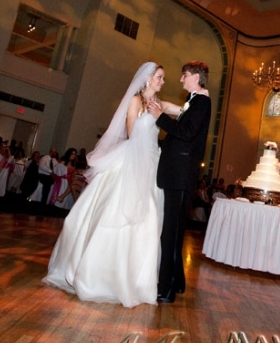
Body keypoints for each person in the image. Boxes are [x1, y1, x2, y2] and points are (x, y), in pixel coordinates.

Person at [43, 62, 181, 306]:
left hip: (152, 164)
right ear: (148, 79)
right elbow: (130, 133)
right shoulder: (136, 102)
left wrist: (199, 98)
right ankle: (101, 276)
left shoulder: (159, 104)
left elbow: (181, 111)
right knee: (114, 212)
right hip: (133, 160)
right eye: (159, 77)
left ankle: (137, 279)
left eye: (162, 78)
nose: (162, 81)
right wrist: (147, 126)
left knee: (148, 218)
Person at [148, 60, 211, 303]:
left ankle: (166, 289)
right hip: (176, 173)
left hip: (181, 175)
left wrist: (160, 116)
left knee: (171, 235)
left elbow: (186, 134)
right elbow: (178, 139)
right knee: (173, 233)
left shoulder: (202, 102)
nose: (181, 79)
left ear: (196, 76)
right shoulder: (193, 101)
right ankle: (178, 281)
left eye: (184, 75)